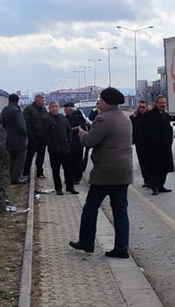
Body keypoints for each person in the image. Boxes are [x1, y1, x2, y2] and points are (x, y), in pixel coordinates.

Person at [69, 87, 133, 258]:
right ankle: (122, 247)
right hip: (123, 172)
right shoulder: (124, 118)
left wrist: (81, 133)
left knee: (91, 208)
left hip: (106, 173)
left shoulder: (103, 119)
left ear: (105, 102)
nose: (99, 102)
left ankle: (86, 242)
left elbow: (89, 142)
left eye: (100, 99)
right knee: (120, 210)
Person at [138, 96, 175, 194]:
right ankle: (155, 187)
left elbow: (169, 130)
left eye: (164, 103)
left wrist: (169, 140)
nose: (163, 105)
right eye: (161, 103)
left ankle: (161, 185)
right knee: (153, 168)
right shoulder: (149, 115)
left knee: (164, 168)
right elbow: (144, 132)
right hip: (153, 147)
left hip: (165, 147)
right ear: (156, 103)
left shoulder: (166, 115)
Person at [43, 101, 73, 195]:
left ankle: (70, 187)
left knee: (68, 169)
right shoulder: (46, 119)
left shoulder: (62, 118)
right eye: (52, 107)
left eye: (56, 106)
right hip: (54, 150)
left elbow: (69, 130)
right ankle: (58, 188)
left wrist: (68, 142)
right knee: (56, 170)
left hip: (65, 148)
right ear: (49, 108)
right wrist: (51, 145)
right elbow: (44, 135)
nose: (54, 108)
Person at [0, 94, 29, 184]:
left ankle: (12, 177)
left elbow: (3, 124)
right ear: (17, 100)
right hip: (18, 139)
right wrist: (25, 133)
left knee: (12, 158)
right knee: (20, 158)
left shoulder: (5, 110)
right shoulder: (16, 111)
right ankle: (16, 178)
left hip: (9, 137)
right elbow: (20, 126)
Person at [63, 102, 88, 191]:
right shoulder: (66, 118)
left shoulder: (78, 116)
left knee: (77, 160)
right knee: (70, 161)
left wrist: (74, 130)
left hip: (77, 142)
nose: (64, 111)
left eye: (66, 109)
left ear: (70, 109)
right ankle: (70, 178)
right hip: (69, 143)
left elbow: (83, 127)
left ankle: (77, 178)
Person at [23, 93, 49, 179]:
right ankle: (26, 173)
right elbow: (26, 123)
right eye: (42, 100)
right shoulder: (29, 109)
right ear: (37, 100)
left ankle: (40, 173)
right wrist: (30, 135)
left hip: (43, 137)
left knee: (41, 156)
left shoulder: (44, 109)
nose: (43, 102)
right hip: (33, 137)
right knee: (30, 155)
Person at [130, 99, 150, 188]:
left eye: (143, 107)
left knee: (150, 162)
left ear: (147, 107)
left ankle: (151, 180)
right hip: (139, 143)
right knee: (142, 162)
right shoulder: (134, 118)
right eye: (140, 107)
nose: (141, 109)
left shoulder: (150, 117)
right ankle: (146, 179)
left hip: (149, 143)